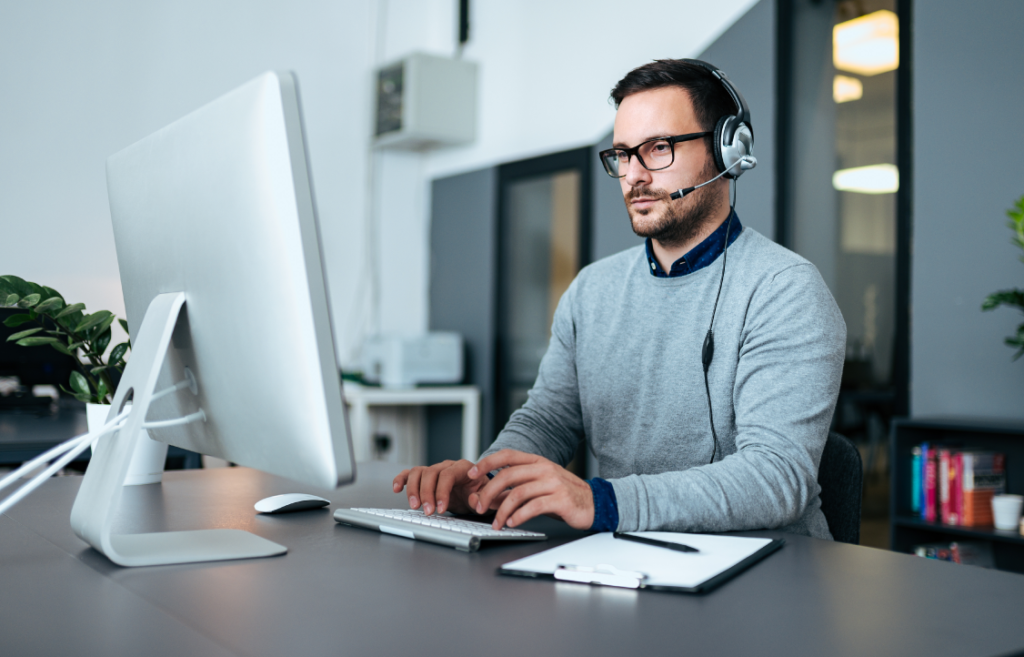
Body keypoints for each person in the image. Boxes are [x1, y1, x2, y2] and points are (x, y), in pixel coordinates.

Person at [393, 59, 845, 539]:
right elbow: (547, 422)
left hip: (766, 579)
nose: (634, 175)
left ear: (727, 150)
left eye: (658, 149)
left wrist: (600, 501)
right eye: (623, 154)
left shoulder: (785, 289)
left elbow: (776, 477)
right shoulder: (592, 291)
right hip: (627, 558)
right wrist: (482, 485)